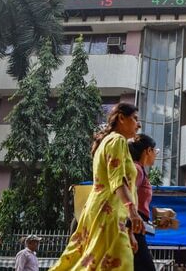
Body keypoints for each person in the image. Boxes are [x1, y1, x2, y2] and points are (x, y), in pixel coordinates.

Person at [50, 102, 145, 270]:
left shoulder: (109, 141)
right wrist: (133, 212)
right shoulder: (117, 140)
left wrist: (130, 232)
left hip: (102, 211)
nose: (139, 124)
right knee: (115, 264)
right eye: (135, 119)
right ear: (122, 118)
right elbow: (118, 181)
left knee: (87, 262)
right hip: (108, 213)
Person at [128, 134, 160, 271]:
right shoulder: (137, 170)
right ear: (148, 151)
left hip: (136, 228)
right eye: (155, 151)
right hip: (132, 229)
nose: (156, 155)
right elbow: (126, 198)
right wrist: (129, 232)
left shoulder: (139, 170)